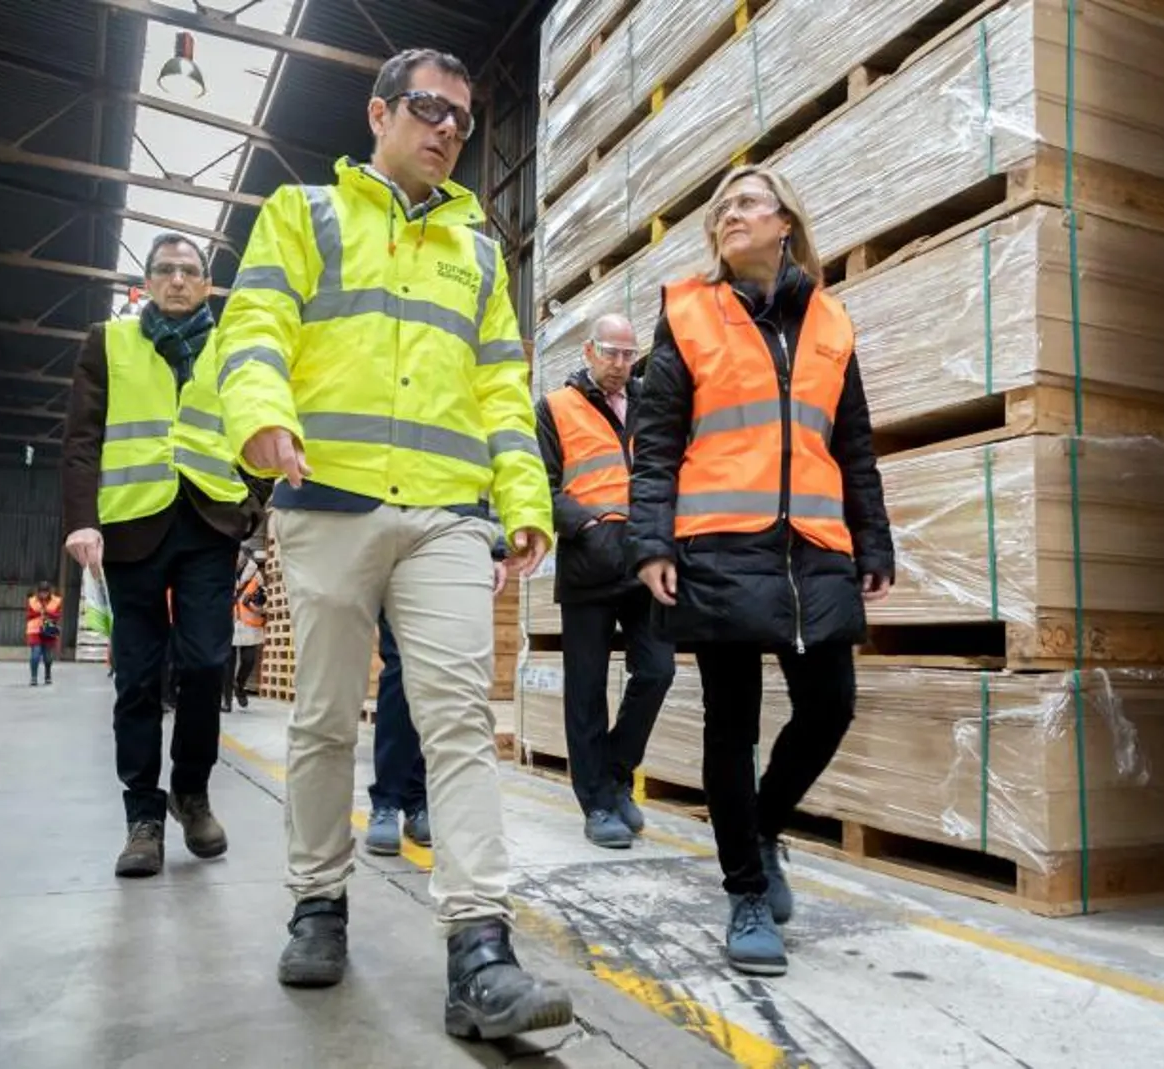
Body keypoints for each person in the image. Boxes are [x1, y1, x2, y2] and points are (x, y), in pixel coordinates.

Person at [216, 46, 569, 1040]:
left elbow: (503, 384)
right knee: (327, 719)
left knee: (458, 717)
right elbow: (254, 322)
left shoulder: (477, 248)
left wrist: (522, 498)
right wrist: (259, 413)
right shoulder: (306, 215)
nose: (447, 128)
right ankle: (317, 903)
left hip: (449, 515)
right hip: (325, 500)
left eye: (460, 118)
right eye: (427, 108)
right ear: (378, 114)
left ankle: (480, 949)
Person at [628, 166, 895, 977]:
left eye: (745, 202)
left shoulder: (830, 324)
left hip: (813, 545)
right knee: (730, 724)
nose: (727, 215)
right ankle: (746, 890)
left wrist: (873, 540)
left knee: (831, 706)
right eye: (720, 209)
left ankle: (763, 826)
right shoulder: (689, 314)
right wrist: (651, 543)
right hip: (717, 542)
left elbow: (852, 442)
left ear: (786, 221)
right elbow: (659, 441)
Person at [62, 232, 258, 880]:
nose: (177, 279)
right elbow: (82, 438)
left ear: (207, 285)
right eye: (165, 270)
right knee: (138, 680)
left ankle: (191, 792)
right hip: (132, 525)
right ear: (146, 282)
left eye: (190, 271)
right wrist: (82, 521)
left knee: (206, 663)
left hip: (207, 521)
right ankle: (142, 818)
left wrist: (252, 505)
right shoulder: (109, 342)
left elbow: (261, 427)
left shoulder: (233, 348)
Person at [535, 314, 675, 849]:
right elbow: (542, 488)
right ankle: (596, 803)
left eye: (627, 354)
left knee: (657, 671)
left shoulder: (650, 404)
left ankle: (615, 772)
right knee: (587, 691)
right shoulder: (554, 408)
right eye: (611, 353)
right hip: (589, 567)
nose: (620, 365)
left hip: (644, 562)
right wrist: (586, 525)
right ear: (589, 351)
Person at [364, 548, 506, 857]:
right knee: (401, 665)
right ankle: (387, 800)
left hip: (445, 545)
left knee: (434, 671)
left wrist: (491, 551)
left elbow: (481, 497)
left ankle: (418, 800)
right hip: (388, 537)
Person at [225, 549, 265, 712]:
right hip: (230, 622)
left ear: (245, 557)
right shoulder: (222, 570)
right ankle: (225, 700)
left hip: (249, 624)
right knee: (227, 664)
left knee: (248, 660)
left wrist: (256, 604)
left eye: (239, 554)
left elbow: (264, 597)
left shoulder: (256, 574)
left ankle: (240, 685)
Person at [26, 580, 63, 686]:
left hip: (49, 628)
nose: (43, 594)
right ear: (38, 592)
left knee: (47, 656)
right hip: (34, 630)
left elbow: (57, 615)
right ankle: (33, 677)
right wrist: (39, 612)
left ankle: (48, 674)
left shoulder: (56, 601)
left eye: (45, 592)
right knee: (35, 654)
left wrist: (47, 612)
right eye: (41, 592)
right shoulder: (32, 601)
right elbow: (28, 615)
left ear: (49, 592)